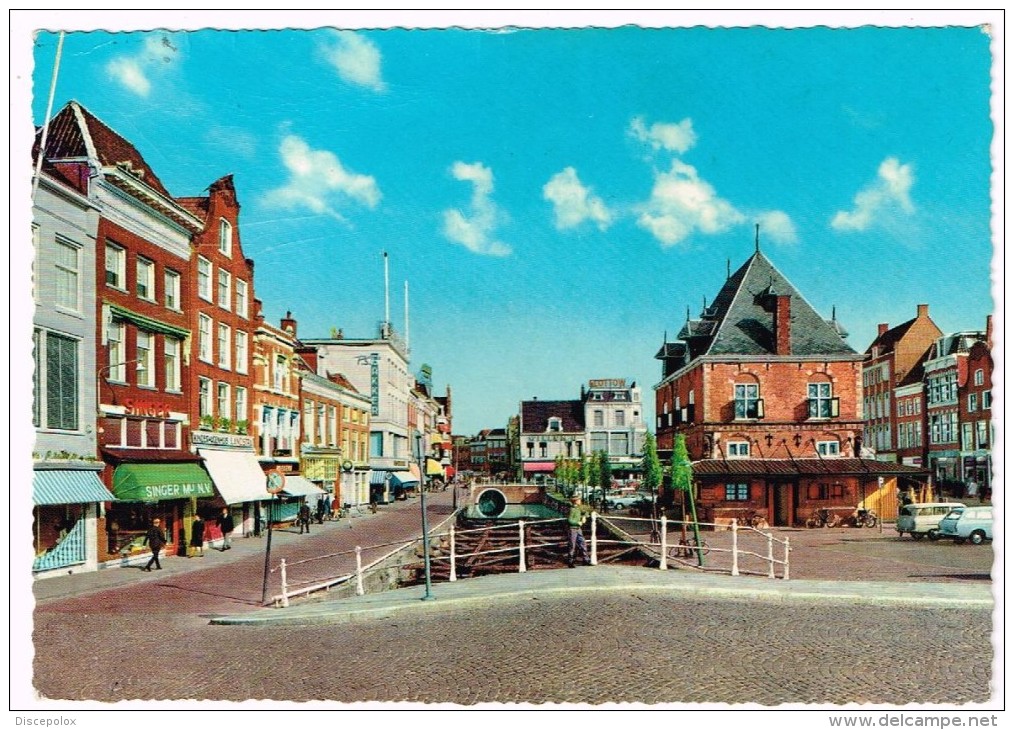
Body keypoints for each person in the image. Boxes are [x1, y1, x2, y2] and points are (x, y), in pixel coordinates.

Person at [566, 495, 590, 568]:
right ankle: (570, 561)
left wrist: (584, 517)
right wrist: (577, 523)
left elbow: (586, 512)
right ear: (575, 501)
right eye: (579, 500)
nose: (580, 501)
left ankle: (586, 559)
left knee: (582, 542)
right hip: (572, 528)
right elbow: (569, 520)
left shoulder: (578, 508)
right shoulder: (572, 509)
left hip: (578, 529)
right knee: (572, 545)